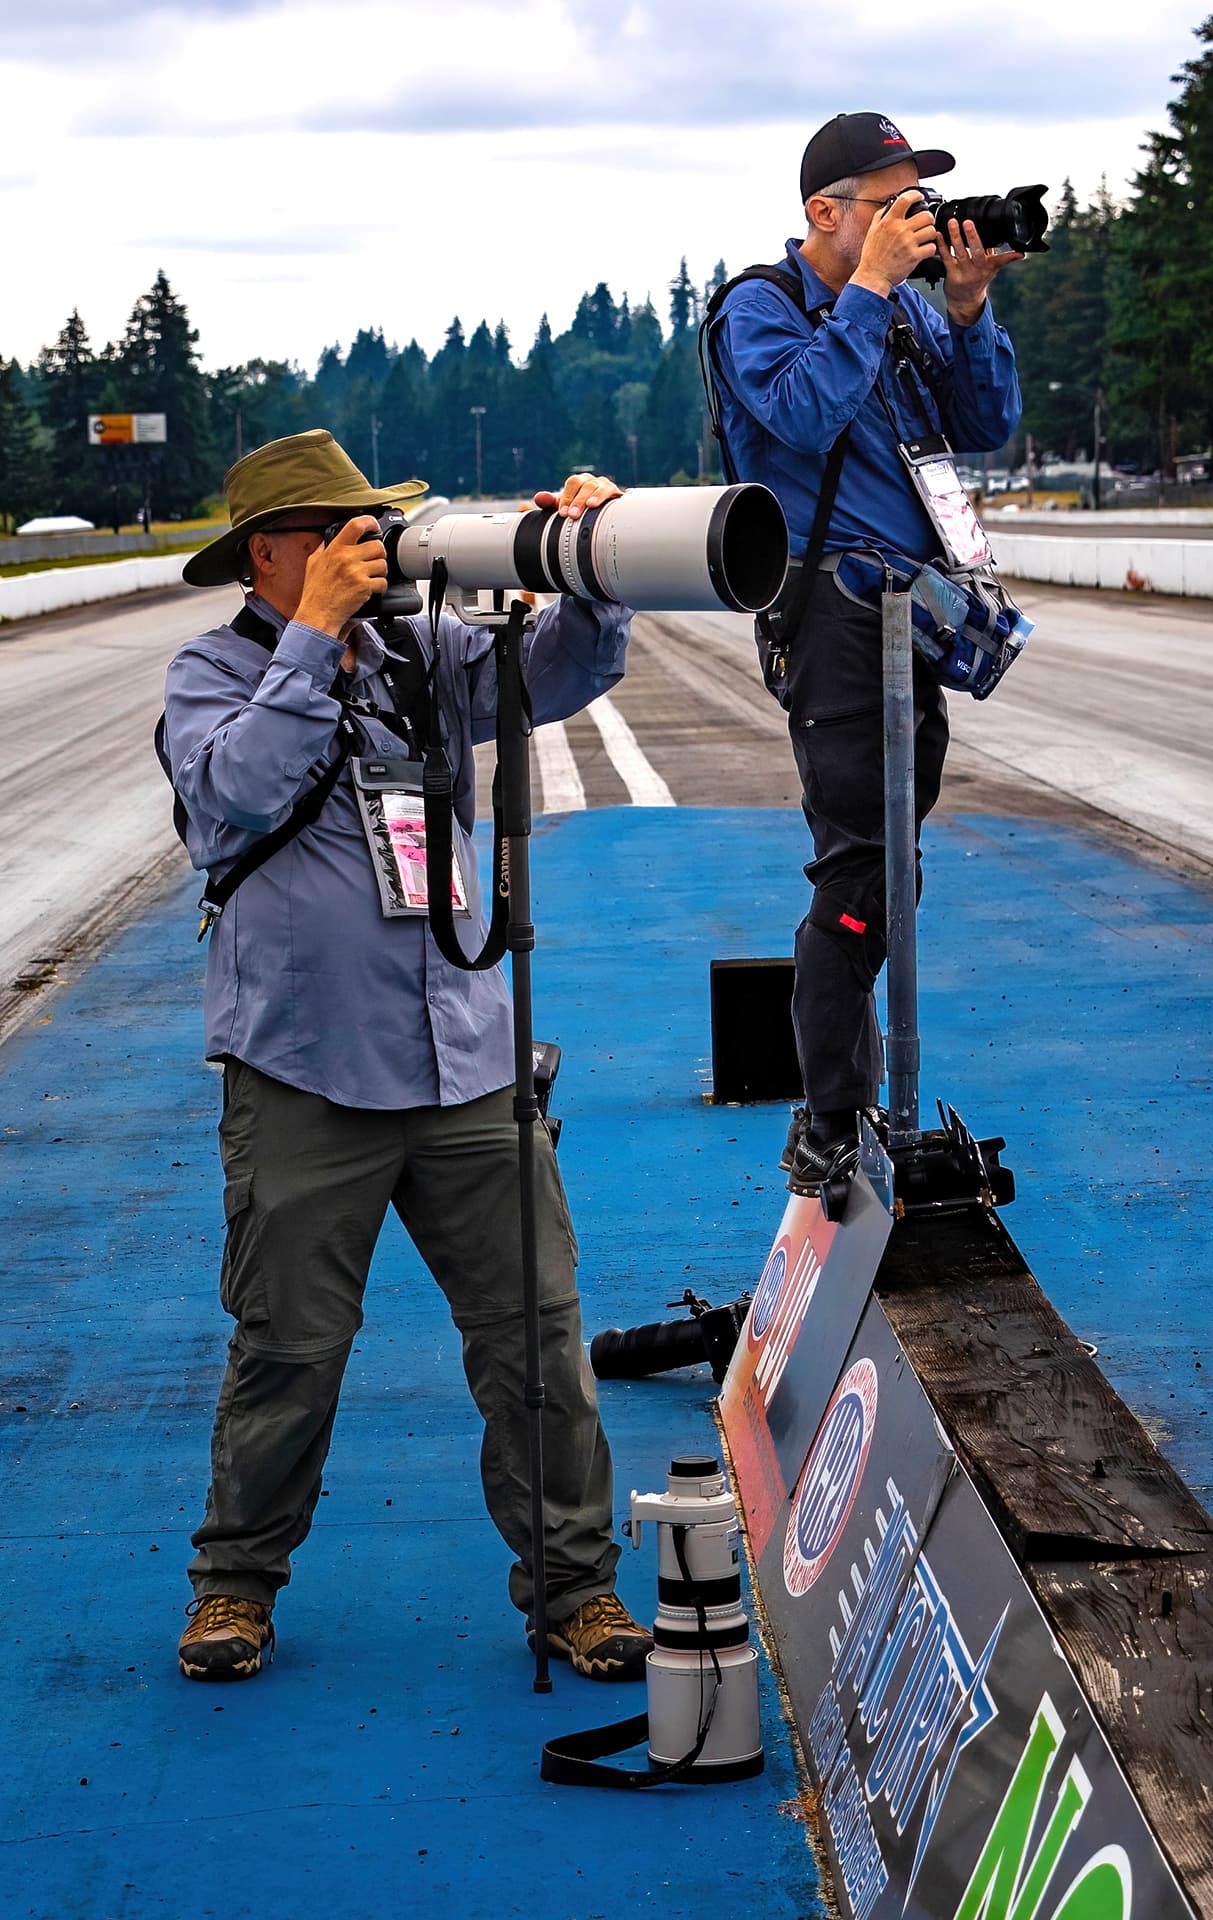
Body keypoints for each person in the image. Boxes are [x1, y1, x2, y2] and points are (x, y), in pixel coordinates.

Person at [164, 429, 652, 1684]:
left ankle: (574, 1591)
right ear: (272, 553)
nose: (368, 549)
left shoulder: (418, 654)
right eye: (339, 531)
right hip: (306, 1071)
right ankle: (233, 1585)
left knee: (535, 1338)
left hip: (467, 1062)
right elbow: (237, 795)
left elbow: (551, 677)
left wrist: (592, 572)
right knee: (288, 1348)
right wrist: (314, 640)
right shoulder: (209, 674)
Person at [706, 112, 1023, 1191]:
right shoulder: (761, 307)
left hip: (910, 612)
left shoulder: (901, 312)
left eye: (919, 204)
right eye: (891, 204)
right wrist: (875, 290)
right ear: (824, 213)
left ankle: (839, 1098)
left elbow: (980, 425)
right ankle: (830, 1119)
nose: (913, 222)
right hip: (830, 612)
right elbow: (799, 416)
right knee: (859, 866)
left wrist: (968, 307)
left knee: (894, 863)